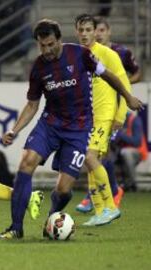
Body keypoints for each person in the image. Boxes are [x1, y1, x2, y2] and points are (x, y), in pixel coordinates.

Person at [0, 19, 142, 239]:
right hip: (50, 125)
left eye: (50, 44)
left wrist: (128, 97)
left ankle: (52, 218)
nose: (46, 50)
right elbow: (32, 104)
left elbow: (109, 75)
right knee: (26, 162)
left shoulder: (80, 55)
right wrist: (15, 130)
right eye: (41, 45)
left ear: (59, 40)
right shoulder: (38, 67)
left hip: (78, 130)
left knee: (64, 190)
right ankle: (16, 227)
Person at [76, 16, 141, 212]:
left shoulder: (109, 54)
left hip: (106, 116)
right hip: (89, 118)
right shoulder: (80, 54)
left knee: (91, 157)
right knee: (93, 161)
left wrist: (120, 117)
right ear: (76, 31)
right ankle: (98, 209)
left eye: (89, 30)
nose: (85, 34)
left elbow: (125, 84)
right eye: (82, 30)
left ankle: (110, 205)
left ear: (96, 31)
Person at [95, 16, 141, 83]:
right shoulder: (87, 53)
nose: (98, 34)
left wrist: (123, 84)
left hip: (117, 93)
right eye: (95, 31)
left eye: (102, 30)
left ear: (109, 31)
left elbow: (137, 74)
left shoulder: (123, 52)